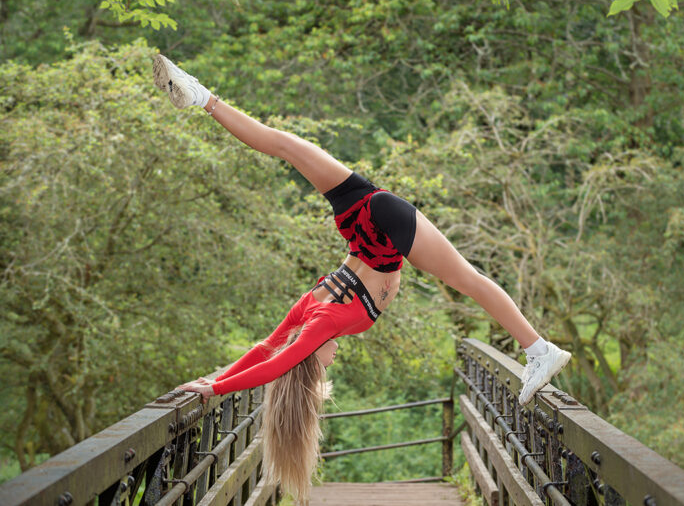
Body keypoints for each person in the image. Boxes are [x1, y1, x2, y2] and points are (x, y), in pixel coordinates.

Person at [154, 53, 569, 405]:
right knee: (284, 145)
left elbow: (275, 361)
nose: (333, 360)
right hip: (359, 213)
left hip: (382, 232)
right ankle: (201, 96)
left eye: (324, 362)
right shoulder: (305, 311)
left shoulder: (319, 325)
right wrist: (215, 380)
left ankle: (540, 351)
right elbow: (265, 348)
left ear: (312, 353)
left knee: (469, 280)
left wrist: (216, 389)